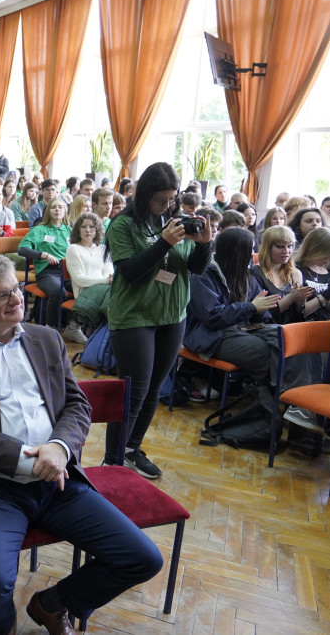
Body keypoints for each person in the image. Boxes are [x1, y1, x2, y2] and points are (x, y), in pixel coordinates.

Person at [0, 253, 163, 635]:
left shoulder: (46, 338)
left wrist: (59, 447)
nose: (16, 299)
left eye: (17, 289)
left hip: (58, 483)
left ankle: (54, 604)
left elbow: (76, 404)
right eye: (1, 295)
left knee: (142, 558)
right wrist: (28, 458)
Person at [103, 162, 213, 478]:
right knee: (132, 391)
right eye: (160, 199)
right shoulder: (122, 225)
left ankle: (131, 449)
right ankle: (112, 463)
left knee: (154, 388)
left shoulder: (176, 220)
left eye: (171, 198)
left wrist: (205, 245)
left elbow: (197, 268)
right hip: (134, 316)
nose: (167, 205)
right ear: (144, 195)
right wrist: (163, 242)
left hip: (173, 313)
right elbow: (131, 271)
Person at [185, 227, 283, 409]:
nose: (252, 254)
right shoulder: (203, 273)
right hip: (213, 336)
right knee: (265, 352)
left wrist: (259, 311)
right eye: (249, 250)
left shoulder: (246, 275)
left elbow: (262, 314)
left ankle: (276, 401)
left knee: (284, 339)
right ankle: (270, 404)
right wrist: (251, 307)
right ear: (236, 252)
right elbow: (212, 317)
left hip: (243, 330)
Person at [18, 198, 71, 332]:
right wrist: (44, 255)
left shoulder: (70, 230)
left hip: (69, 271)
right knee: (58, 291)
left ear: (65, 211)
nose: (57, 209)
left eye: (60, 207)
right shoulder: (39, 230)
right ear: (48, 211)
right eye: (54, 207)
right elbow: (22, 249)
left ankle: (73, 326)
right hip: (47, 272)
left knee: (85, 289)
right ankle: (49, 328)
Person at [65, 212, 114, 339]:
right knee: (114, 291)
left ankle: (76, 325)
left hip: (105, 289)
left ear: (97, 230)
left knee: (115, 289)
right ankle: (108, 330)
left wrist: (109, 279)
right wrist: (105, 280)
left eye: (92, 226)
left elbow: (109, 273)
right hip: (84, 290)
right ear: (78, 230)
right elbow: (79, 279)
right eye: (83, 227)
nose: (88, 230)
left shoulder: (103, 249)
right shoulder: (73, 249)